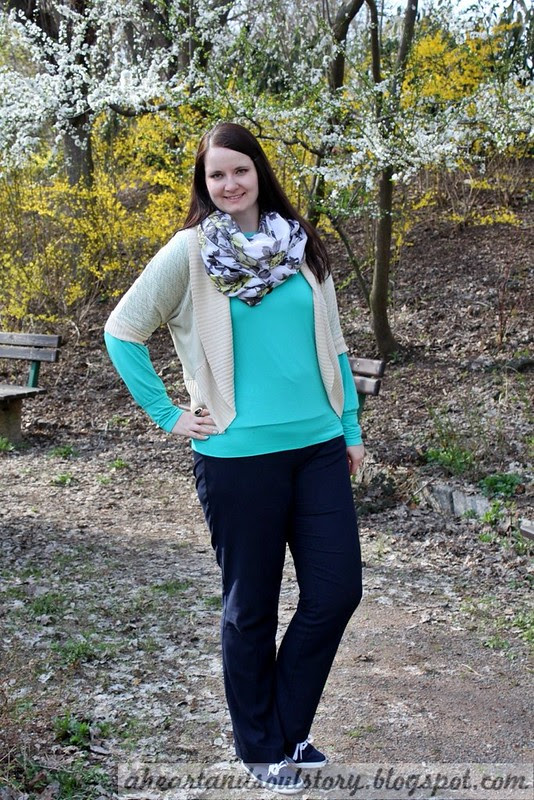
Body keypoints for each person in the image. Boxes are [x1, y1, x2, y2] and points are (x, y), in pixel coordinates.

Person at [104, 122, 364, 795]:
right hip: (238, 458)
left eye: (239, 170)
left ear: (258, 171)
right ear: (204, 182)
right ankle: (262, 747)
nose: (229, 184)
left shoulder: (301, 245)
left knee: (337, 591)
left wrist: (350, 429)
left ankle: (286, 727)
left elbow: (335, 343)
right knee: (251, 609)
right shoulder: (189, 252)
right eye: (215, 174)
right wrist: (168, 413)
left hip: (318, 449)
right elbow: (123, 331)